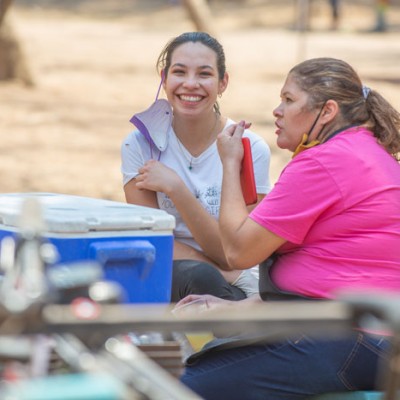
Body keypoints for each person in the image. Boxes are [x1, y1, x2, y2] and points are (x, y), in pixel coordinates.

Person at [176, 57, 400, 399]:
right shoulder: (365, 151)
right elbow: (329, 277)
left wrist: (231, 163)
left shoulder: (324, 162)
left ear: (326, 112)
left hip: (346, 340)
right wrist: (238, 308)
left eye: (289, 100)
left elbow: (237, 251)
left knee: (177, 385)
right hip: (370, 338)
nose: (277, 110)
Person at [121, 32, 272, 303]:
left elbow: (235, 253)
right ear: (164, 78)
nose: (190, 84)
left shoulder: (248, 148)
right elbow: (152, 239)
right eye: (179, 72)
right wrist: (219, 271)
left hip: (240, 282)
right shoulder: (140, 145)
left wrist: (176, 189)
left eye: (204, 74)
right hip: (173, 273)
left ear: (223, 82)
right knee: (199, 277)